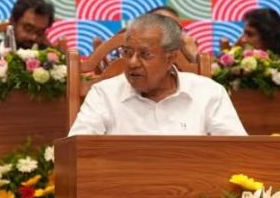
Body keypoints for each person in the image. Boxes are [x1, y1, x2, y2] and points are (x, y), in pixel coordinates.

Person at [68, 13, 246, 136]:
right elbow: (76, 153)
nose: (132, 63)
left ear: (170, 58)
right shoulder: (103, 94)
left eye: (145, 54)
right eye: (127, 53)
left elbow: (237, 151)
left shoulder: (209, 93)